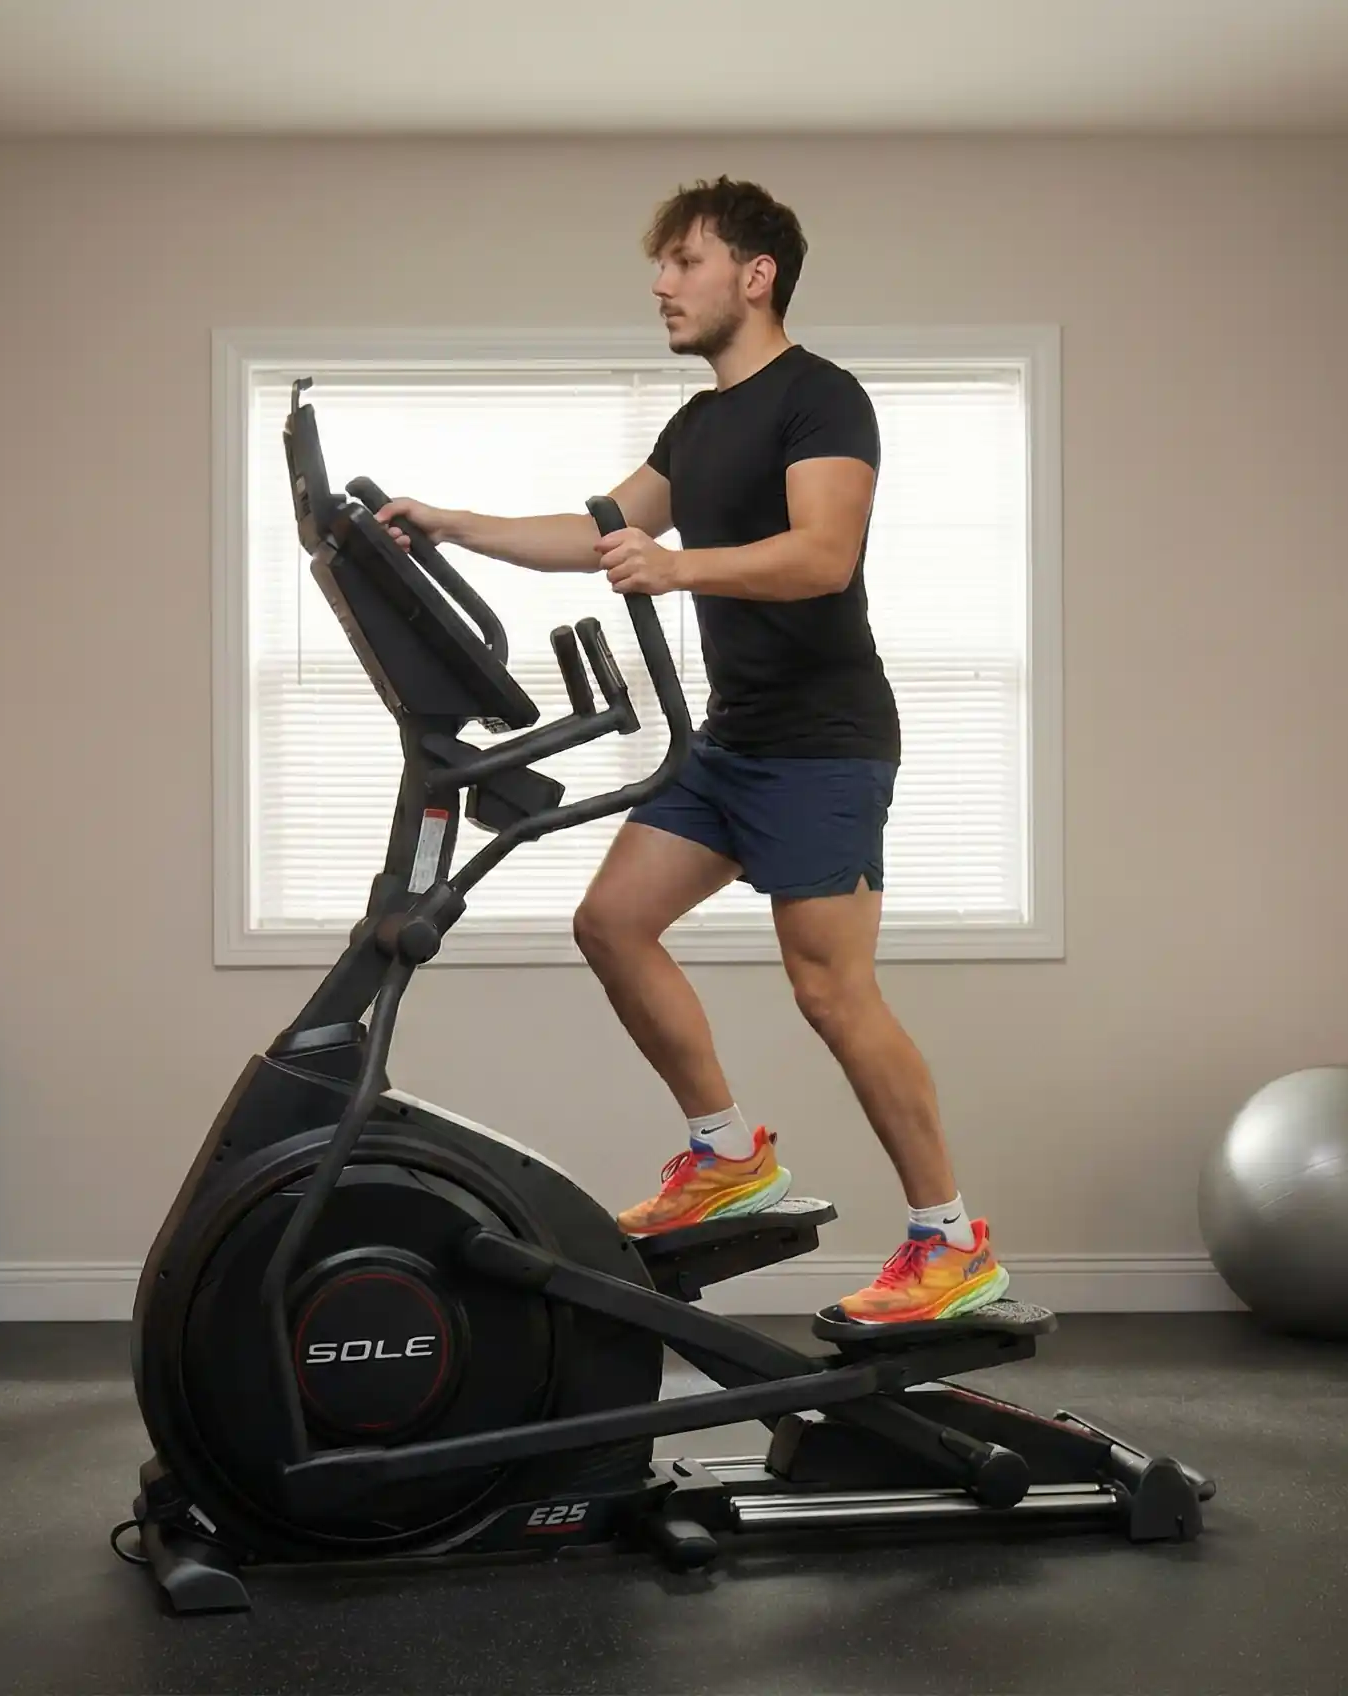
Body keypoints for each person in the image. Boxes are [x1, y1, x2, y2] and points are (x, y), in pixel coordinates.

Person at [375, 178, 1002, 1325]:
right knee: (609, 922)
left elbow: (821, 554)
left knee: (831, 993)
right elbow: (597, 532)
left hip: (822, 743)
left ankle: (950, 1241)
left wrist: (676, 567)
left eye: (684, 262)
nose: (660, 285)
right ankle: (725, 1155)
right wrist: (450, 522)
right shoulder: (697, 423)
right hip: (734, 740)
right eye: (659, 266)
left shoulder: (821, 400)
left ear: (754, 275)